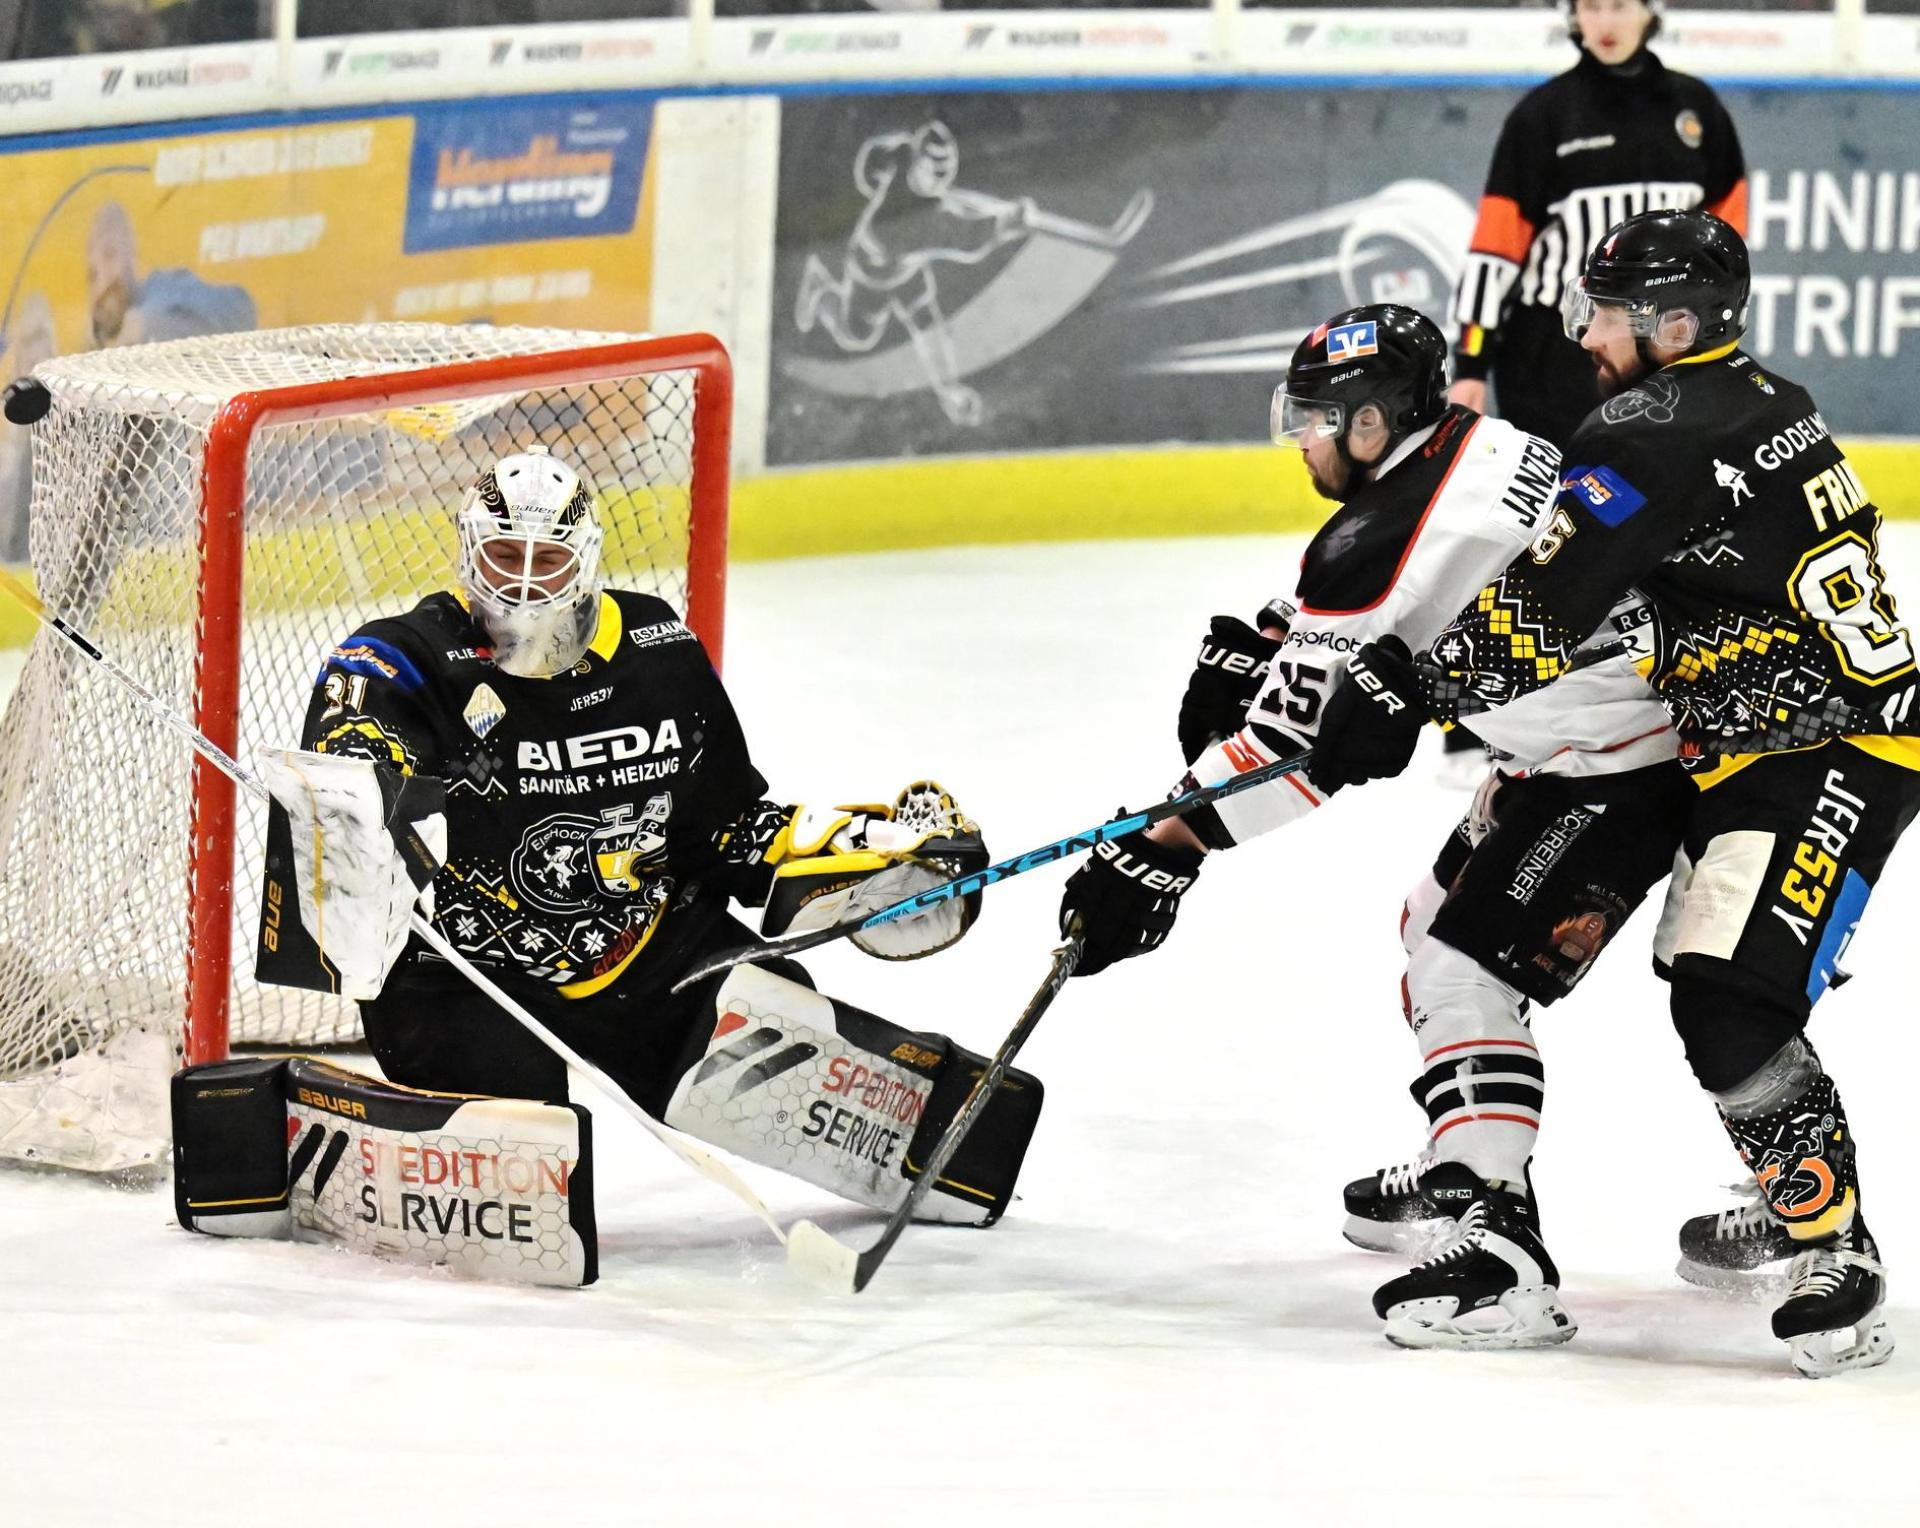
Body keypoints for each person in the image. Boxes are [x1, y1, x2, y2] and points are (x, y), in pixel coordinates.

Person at [1311, 209, 1919, 1377]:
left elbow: (1547, 605)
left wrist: (1414, 684)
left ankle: (1835, 1244)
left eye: (1607, 315)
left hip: (1829, 748)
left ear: (1675, 326)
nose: (1586, 335)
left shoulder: (1650, 427)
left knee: (1727, 995)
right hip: (1749, 745)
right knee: (1540, 947)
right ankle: (1508, 1175)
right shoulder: (1765, 396)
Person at [1061, 302, 1691, 1351]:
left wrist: (1156, 850)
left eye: (1315, 420)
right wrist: (1285, 635)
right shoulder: (1483, 439)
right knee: (1432, 925)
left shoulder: (1372, 541)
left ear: (1368, 424)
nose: (1301, 441)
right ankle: (1463, 1164)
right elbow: (1409, 588)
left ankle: (1500, 1251)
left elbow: (1293, 756)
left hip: (1614, 767)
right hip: (1601, 738)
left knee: (1459, 966)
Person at [287, 447, 1045, 1227]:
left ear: (584, 561)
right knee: (523, 1189)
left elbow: (722, 825)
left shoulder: (658, 650)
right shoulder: (401, 657)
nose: (524, 583)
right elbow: (344, 769)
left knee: (784, 1022)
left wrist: (853, 853)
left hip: (647, 957)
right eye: (505, 556)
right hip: (461, 975)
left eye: (547, 560)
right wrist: (360, 772)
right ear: (469, 552)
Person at [1449, 0, 1747, 450]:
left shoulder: (1697, 108)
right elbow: (1494, 253)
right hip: (1556, 355)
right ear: (1573, 15)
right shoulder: (1543, 116)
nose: (1605, 22)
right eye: (1591, 6)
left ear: (1649, 12)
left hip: (1665, 348)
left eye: (1620, 6)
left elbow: (1725, 244)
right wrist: (1471, 366)